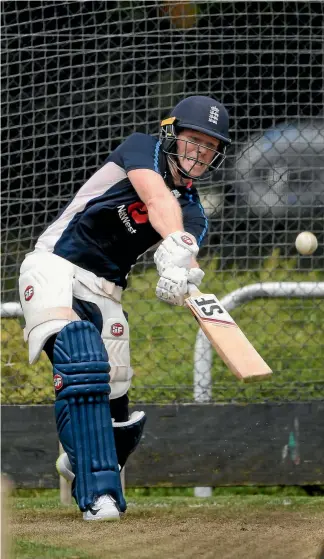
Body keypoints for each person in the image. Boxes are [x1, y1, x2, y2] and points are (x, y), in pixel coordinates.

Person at [19, 95, 231, 521]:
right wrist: (174, 244)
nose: (200, 153)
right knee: (82, 357)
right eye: (193, 141)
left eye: (210, 147)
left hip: (107, 292)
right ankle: (100, 499)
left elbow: (187, 254)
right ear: (171, 135)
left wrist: (182, 277)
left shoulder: (195, 214)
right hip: (56, 266)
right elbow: (157, 200)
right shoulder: (141, 149)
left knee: (117, 408)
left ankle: (82, 457)